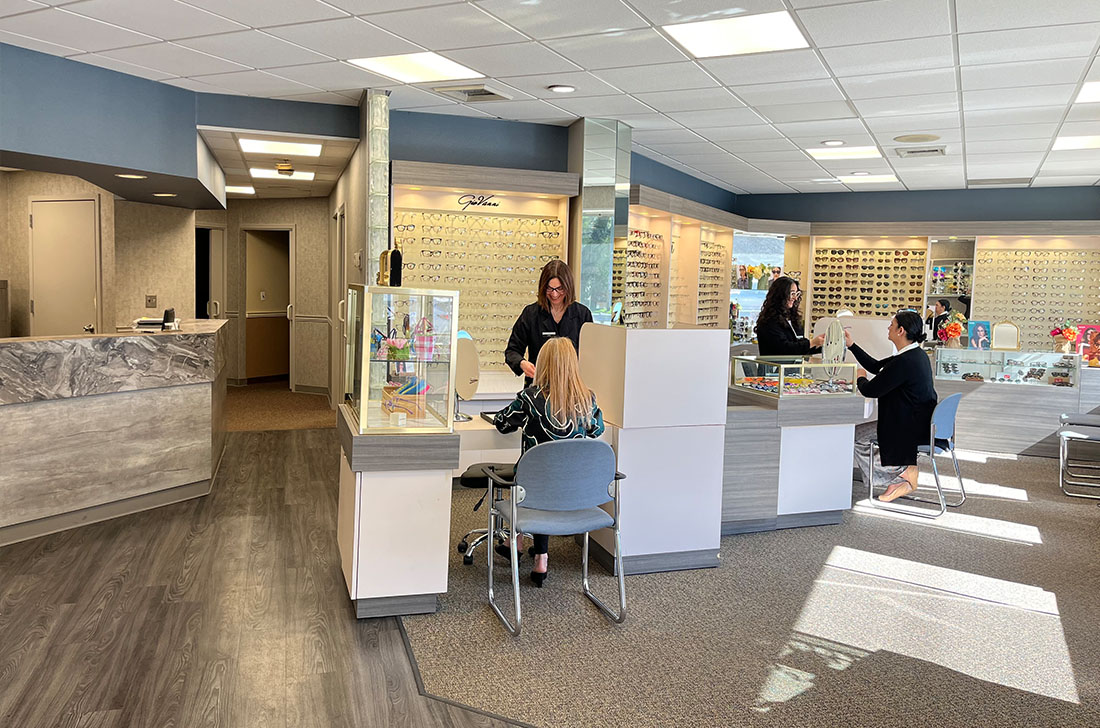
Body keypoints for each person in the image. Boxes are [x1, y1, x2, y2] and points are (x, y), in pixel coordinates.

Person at [493, 337, 605, 587]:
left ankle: (520, 542)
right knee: (547, 478)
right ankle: (535, 553)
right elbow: (597, 431)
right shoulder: (588, 399)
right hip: (576, 492)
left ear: (542, 364)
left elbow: (502, 423)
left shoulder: (530, 398)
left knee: (533, 477)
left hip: (535, 489)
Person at [845, 310, 938, 502]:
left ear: (900, 330)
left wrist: (859, 378)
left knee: (855, 437)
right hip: (916, 421)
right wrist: (852, 346)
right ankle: (899, 475)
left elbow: (871, 390)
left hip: (906, 426)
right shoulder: (914, 355)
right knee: (859, 436)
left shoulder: (905, 361)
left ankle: (902, 471)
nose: (888, 328)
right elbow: (876, 366)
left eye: (891, 324)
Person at [505, 259, 593, 386]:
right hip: (538, 387)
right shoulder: (531, 314)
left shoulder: (582, 315)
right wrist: (522, 363)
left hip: (571, 388)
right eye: (549, 289)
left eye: (560, 289)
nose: (555, 294)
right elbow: (512, 351)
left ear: (568, 287)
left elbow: (591, 355)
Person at [755, 276, 824, 356]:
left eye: (796, 294)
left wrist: (820, 345)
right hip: (775, 368)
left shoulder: (790, 319)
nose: (795, 298)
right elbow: (784, 349)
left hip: (789, 368)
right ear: (781, 294)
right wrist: (812, 343)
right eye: (792, 294)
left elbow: (798, 347)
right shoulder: (769, 321)